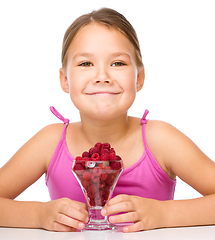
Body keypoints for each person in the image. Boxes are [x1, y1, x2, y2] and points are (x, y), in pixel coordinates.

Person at [0, 7, 215, 233]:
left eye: (118, 63)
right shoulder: (50, 141)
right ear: (65, 80)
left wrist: (163, 214)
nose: (102, 77)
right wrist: (38, 215)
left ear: (139, 78)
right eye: (85, 64)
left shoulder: (160, 139)